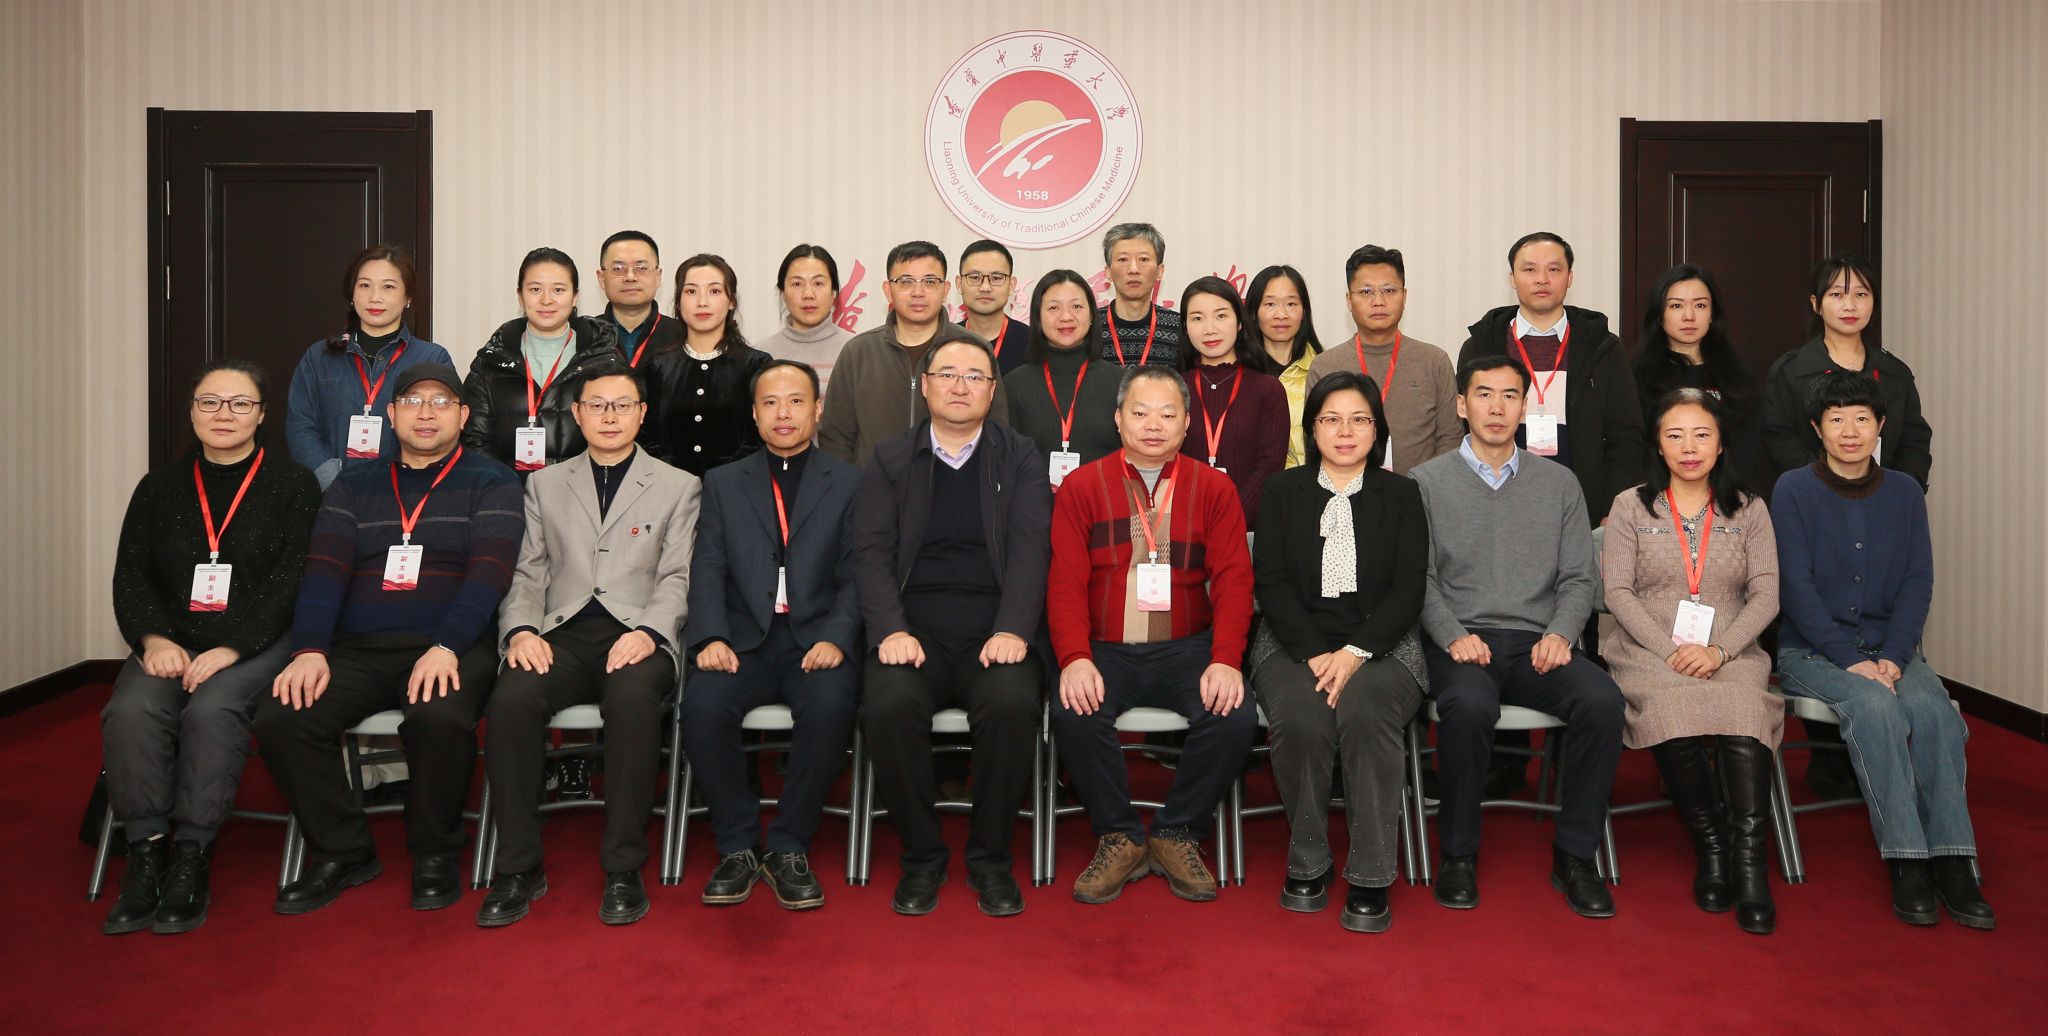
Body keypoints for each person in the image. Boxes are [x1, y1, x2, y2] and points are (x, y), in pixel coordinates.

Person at [256, 362, 522, 916]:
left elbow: (489, 574)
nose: (426, 413)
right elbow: (324, 571)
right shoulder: (355, 483)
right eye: (414, 401)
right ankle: (343, 850)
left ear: (463, 416)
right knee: (283, 715)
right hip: (358, 648)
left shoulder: (492, 480)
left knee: (439, 716)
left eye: (441, 402)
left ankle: (434, 851)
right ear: (391, 414)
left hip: (450, 644)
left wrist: (446, 645)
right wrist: (310, 648)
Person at [476, 358, 701, 928]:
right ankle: (518, 866)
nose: (609, 416)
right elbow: (527, 572)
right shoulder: (545, 483)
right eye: (596, 405)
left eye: (622, 405)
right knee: (511, 700)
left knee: (632, 701)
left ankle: (623, 866)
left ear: (642, 413)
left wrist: (650, 632)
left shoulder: (679, 485)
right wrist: (520, 630)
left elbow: (678, 576)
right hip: (561, 632)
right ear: (576, 414)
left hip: (637, 631)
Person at [101, 359, 320, 935]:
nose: (225, 414)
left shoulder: (293, 485)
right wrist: (154, 639)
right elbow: (132, 576)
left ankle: (192, 854)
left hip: (257, 642)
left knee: (213, 708)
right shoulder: (157, 488)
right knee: (132, 709)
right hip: (171, 641)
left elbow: (292, 581)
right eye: (210, 402)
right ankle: (146, 851)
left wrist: (233, 648)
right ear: (192, 411)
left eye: (240, 403)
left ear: (262, 415)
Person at [1772, 372, 1993, 930]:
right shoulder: (1793, 490)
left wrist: (1895, 654)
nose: (1850, 431)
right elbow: (1793, 587)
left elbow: (1918, 580)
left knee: (1934, 712)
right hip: (1813, 652)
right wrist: (1850, 660)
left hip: (1891, 648)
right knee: (1874, 707)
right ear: (1817, 428)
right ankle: (1907, 860)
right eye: (1836, 419)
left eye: (1862, 419)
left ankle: (1954, 859)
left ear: (1881, 426)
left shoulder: (1904, 492)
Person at [1411, 354, 1626, 919]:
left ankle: (1575, 855)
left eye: (1510, 395)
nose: (1497, 407)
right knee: (1468, 705)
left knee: (1602, 701)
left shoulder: (1559, 483)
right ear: (1462, 405)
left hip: (1538, 642)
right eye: (1483, 394)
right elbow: (1417, 578)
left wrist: (1561, 633)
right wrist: (1452, 635)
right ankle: (1458, 853)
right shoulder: (1426, 482)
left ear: (1525, 407)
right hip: (1462, 641)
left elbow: (1579, 577)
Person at [852, 339, 1049, 918]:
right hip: (914, 633)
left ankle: (990, 859)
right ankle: (922, 857)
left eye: (975, 376)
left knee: (1011, 704)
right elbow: (870, 552)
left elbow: (1032, 550)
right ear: (925, 385)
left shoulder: (1019, 456)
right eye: (947, 374)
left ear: (992, 389)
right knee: (887, 705)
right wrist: (890, 630)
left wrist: (1013, 629)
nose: (960, 386)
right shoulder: (890, 458)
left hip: (996, 631)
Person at [1049, 366, 1256, 905]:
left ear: (1187, 423)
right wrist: (1074, 657)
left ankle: (1176, 832)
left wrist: (1226, 659)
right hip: (1104, 648)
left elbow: (1234, 582)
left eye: (1168, 414)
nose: (1153, 425)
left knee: (1233, 715)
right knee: (1074, 710)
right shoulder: (1081, 487)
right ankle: (1118, 835)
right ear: (1118, 419)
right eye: (1140, 413)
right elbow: (1065, 582)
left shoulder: (1214, 488)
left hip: (1187, 647)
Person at [682, 360, 862, 910]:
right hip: (742, 640)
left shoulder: (849, 482)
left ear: (818, 409)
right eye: (770, 403)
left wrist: (837, 637)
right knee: (702, 707)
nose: (784, 413)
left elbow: (859, 571)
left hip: (816, 640)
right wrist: (710, 636)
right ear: (755, 414)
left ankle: (788, 844)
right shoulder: (723, 482)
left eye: (796, 401)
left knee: (831, 706)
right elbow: (707, 565)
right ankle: (737, 844)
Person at [1251, 372, 1427, 933]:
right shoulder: (1282, 492)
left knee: (1366, 711)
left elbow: (1409, 591)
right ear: (1312, 429)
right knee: (1303, 715)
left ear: (1377, 430)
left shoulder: (1402, 495)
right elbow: (1271, 583)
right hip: (1292, 641)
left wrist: (1355, 651)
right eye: (1331, 419)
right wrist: (1313, 652)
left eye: (1359, 420)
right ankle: (1308, 858)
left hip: (1384, 644)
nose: (1345, 432)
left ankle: (1372, 872)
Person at [1600, 389, 1781, 935]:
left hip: (1731, 646)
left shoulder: (1749, 508)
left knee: (1744, 708)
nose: (1689, 447)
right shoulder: (1631, 506)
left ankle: (1749, 862)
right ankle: (1712, 844)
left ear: (1721, 443)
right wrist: (1669, 650)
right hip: (1648, 647)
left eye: (1702, 434)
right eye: (1674, 435)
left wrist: (1720, 650)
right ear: (1658, 444)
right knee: (1670, 709)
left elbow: (1767, 594)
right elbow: (1618, 592)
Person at [1457, 232, 1645, 523]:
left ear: (1570, 277)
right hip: (1497, 501)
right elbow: (1465, 432)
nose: (1542, 279)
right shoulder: (1482, 346)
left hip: (1583, 505)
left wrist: (1614, 507)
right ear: (1512, 278)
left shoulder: (1602, 347)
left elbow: (1627, 435)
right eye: (1530, 269)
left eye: (1554, 269)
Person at [819, 240, 1010, 467]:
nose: (918, 292)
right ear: (888, 290)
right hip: (874, 487)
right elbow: (836, 438)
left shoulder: (975, 349)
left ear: (945, 290)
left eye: (929, 282)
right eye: (906, 282)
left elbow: (997, 431)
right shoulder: (858, 352)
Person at [285, 244, 453, 489]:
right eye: (365, 285)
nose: (375, 297)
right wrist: (335, 485)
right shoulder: (319, 357)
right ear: (351, 294)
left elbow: (441, 430)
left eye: (388, 287)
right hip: (331, 494)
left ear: (408, 297)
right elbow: (301, 427)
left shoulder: (432, 358)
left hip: (407, 493)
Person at [1762, 255, 1932, 490]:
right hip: (1814, 495)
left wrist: (1897, 490)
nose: (1850, 305)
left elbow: (1914, 442)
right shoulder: (1791, 371)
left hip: (1885, 497)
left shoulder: (1895, 372)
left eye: (1861, 295)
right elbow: (1780, 439)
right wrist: (1830, 487)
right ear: (1816, 304)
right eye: (1837, 295)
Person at [462, 247, 623, 476]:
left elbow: (618, 435)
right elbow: (475, 439)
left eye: (558, 290)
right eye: (535, 289)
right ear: (520, 296)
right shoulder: (490, 362)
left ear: (575, 296)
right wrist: (505, 489)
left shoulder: (604, 360)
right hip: (506, 492)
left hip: (586, 491)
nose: (546, 300)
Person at [1308, 245, 1462, 476]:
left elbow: (1450, 439)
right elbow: (1317, 440)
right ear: (1349, 300)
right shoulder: (1325, 366)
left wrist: (1428, 488)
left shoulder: (1434, 361)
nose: (1378, 301)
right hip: (1346, 492)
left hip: (1420, 493)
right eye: (1366, 292)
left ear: (1404, 296)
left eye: (1389, 290)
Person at [1630, 264, 1764, 488]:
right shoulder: (1637, 374)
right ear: (1659, 315)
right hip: (1656, 494)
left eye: (1700, 305)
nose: (1689, 316)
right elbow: (1632, 446)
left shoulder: (1738, 372)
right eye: (1676, 306)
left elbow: (1748, 445)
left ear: (1712, 314)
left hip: (1726, 494)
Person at [640, 253, 770, 476]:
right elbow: (644, 436)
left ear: (732, 301)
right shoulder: (656, 366)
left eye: (714, 291)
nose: (702, 302)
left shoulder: (756, 365)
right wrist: (676, 481)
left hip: (737, 487)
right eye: (691, 291)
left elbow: (761, 436)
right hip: (668, 489)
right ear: (678, 302)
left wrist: (721, 481)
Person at [1179, 276, 1288, 526]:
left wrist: (1228, 520)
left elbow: (1269, 466)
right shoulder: (1173, 388)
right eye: (1197, 318)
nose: (1209, 329)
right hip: (1184, 527)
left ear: (1239, 322)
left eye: (1221, 316)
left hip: (1248, 531)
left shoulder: (1268, 389)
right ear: (1185, 327)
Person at [1001, 269, 1123, 486]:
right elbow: (1005, 462)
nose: (1066, 317)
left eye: (1076, 306)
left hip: (1104, 504)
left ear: (1092, 316)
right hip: (1034, 505)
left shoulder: (1121, 382)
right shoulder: (1013, 384)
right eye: (1053, 308)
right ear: (1038, 319)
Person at [1245, 265, 1322, 467]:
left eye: (1291, 304)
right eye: (1270, 304)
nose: (1281, 314)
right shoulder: (1240, 373)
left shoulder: (1323, 369)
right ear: (1254, 311)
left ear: (1304, 311)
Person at [754, 244, 855, 395]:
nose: (808, 294)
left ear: (833, 291)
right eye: (797, 284)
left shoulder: (857, 351)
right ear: (783, 292)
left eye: (818, 283)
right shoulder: (760, 355)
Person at [1096, 222, 1186, 368]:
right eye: (1123, 259)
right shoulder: (1090, 327)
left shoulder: (1180, 328)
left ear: (1160, 271)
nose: (1133, 269)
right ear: (1108, 272)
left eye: (1143, 259)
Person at [594, 230, 679, 367]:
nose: (630, 277)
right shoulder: (584, 335)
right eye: (618, 268)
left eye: (641, 268)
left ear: (658, 276)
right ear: (601, 278)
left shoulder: (682, 336)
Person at [956, 239, 1030, 375]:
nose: (985, 287)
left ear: (1011, 285)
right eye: (974, 277)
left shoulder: (1033, 343)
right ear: (959, 284)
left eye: (996, 278)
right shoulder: (944, 342)